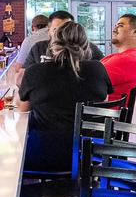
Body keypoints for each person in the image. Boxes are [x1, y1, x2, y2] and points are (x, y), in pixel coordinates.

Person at [16, 21, 112, 174]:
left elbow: (23, 111)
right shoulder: (98, 69)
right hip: (90, 156)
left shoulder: (34, 72)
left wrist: (21, 86)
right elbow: (102, 105)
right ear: (86, 46)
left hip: (42, 156)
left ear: (52, 44)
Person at [24, 11, 104, 69]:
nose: (61, 33)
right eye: (56, 30)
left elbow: (105, 70)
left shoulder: (89, 48)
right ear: (49, 30)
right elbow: (25, 75)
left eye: (66, 29)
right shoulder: (38, 48)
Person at [101, 14, 136, 105]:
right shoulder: (127, 56)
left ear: (135, 32)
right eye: (115, 26)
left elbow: (87, 80)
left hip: (101, 115)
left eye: (120, 26)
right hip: (97, 113)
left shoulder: (130, 59)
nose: (114, 30)